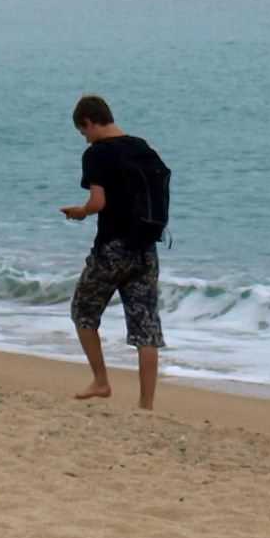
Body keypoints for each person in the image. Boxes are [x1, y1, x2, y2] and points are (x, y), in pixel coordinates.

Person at [61, 93, 169, 409]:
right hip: (146, 248)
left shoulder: (97, 153)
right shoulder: (142, 147)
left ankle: (101, 381)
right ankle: (146, 404)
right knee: (146, 327)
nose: (85, 139)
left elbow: (98, 203)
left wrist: (79, 212)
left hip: (114, 248)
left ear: (89, 122)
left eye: (83, 132)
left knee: (83, 310)